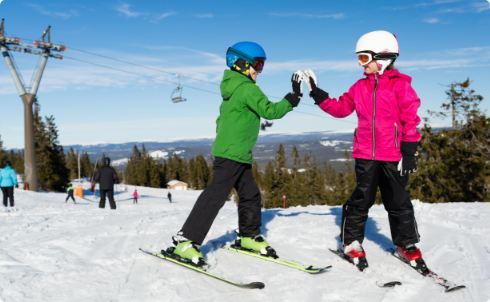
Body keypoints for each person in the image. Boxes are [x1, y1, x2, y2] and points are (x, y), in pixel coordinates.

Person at [166, 41, 305, 267]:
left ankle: (248, 236)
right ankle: (186, 241)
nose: (259, 70)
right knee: (215, 197)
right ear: (240, 63)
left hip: (237, 153)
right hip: (232, 154)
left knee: (250, 195)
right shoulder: (246, 87)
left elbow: (222, 119)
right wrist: (293, 97)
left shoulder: (232, 88)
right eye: (257, 65)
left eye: (262, 65)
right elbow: (269, 111)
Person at [303, 30, 423, 271]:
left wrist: (409, 151)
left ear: (383, 58)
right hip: (365, 154)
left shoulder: (401, 86)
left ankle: (406, 244)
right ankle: (351, 242)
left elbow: (411, 118)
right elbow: (340, 109)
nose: (361, 64)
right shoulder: (359, 87)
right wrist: (318, 94)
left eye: (363, 58)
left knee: (399, 201)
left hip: (394, 155)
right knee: (361, 199)